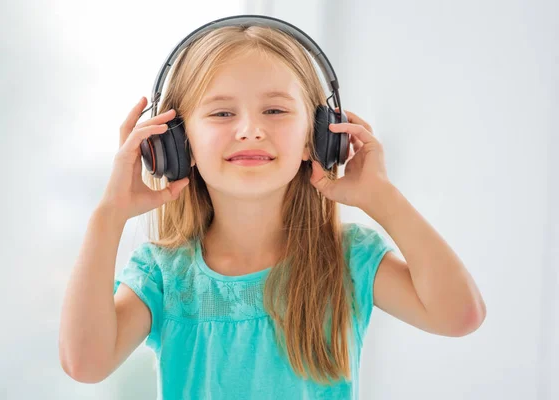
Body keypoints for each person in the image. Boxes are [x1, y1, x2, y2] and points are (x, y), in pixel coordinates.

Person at [59, 17, 486, 400]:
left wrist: (382, 198)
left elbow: (459, 316)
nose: (250, 130)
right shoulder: (165, 275)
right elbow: (85, 364)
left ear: (315, 138)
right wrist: (108, 215)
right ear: (176, 143)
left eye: (276, 110)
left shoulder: (347, 260)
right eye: (223, 112)